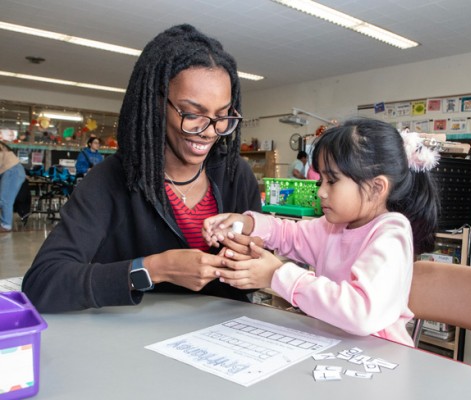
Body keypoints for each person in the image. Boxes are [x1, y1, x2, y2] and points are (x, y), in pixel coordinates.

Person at [22, 24, 262, 312]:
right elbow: (42, 283)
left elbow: (253, 280)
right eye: (192, 114)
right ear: (156, 103)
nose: (209, 131)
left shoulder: (236, 175)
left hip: (224, 340)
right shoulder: (110, 180)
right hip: (132, 344)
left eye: (222, 116)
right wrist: (152, 269)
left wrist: (252, 264)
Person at [203, 118, 441, 346]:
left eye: (332, 181)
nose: (321, 192)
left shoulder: (391, 234)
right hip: (333, 343)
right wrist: (249, 223)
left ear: (376, 187)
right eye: (321, 181)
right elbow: (290, 234)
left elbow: (361, 313)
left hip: (379, 356)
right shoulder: (332, 227)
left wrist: (277, 274)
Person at [0, 141, 27, 232]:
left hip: (12, 170)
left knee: (5, 199)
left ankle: (6, 225)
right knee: (4, 199)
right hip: (12, 170)